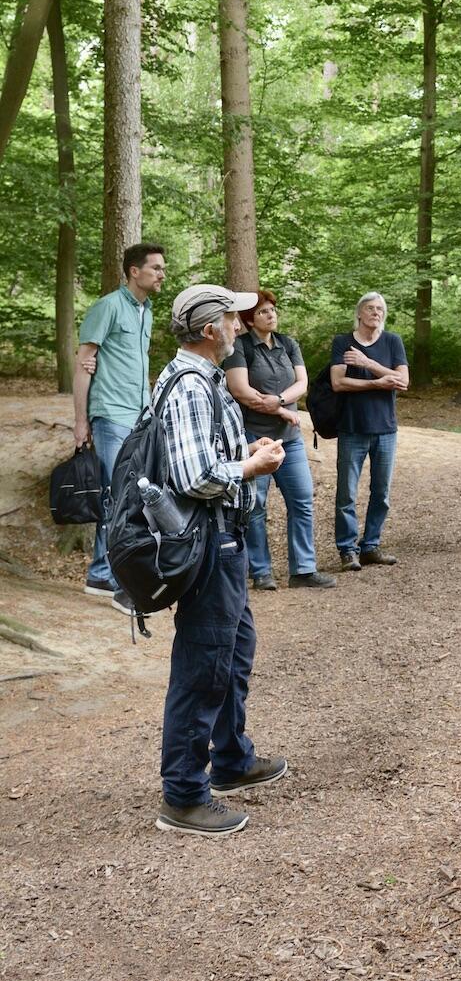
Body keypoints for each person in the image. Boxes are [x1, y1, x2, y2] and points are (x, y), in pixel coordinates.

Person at [154, 283, 289, 837]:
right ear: (211, 331)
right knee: (204, 664)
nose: (240, 324)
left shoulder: (202, 379)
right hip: (209, 541)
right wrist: (248, 470)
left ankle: (231, 760)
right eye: (232, 318)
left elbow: (204, 456)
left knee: (233, 652)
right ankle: (184, 795)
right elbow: (193, 477)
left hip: (224, 539)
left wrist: (244, 454)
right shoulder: (189, 383)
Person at [72, 242, 168, 602]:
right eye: (156, 268)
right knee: (116, 497)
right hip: (110, 414)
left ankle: (100, 573)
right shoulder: (108, 307)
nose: (161, 274)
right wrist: (80, 422)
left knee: (126, 499)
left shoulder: (147, 310)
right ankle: (110, 578)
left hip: (139, 417)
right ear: (134, 271)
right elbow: (83, 365)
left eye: (162, 268)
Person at [223, 290, 335, 592]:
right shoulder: (240, 347)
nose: (271, 314)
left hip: (290, 440)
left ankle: (303, 570)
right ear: (249, 319)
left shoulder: (288, 344)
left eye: (273, 309)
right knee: (255, 506)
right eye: (263, 311)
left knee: (301, 499)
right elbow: (239, 390)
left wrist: (281, 403)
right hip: (253, 437)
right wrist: (282, 411)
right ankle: (260, 572)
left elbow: (302, 383)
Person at [330, 292, 409, 572]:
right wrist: (379, 382)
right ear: (359, 314)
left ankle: (370, 546)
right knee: (347, 493)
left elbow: (403, 381)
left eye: (380, 309)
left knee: (381, 492)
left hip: (386, 429)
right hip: (352, 428)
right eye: (370, 308)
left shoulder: (392, 341)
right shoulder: (343, 342)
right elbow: (338, 383)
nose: (376, 313)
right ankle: (347, 549)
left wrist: (367, 364)